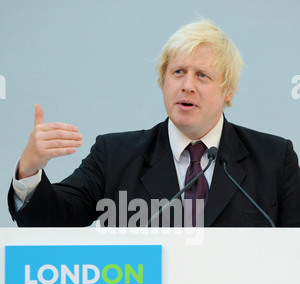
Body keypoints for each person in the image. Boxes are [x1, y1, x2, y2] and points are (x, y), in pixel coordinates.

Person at [8, 20, 300, 227]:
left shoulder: (275, 159)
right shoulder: (115, 156)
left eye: (202, 75)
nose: (187, 85)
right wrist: (29, 171)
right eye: (178, 72)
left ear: (228, 91)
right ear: (163, 81)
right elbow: (54, 220)